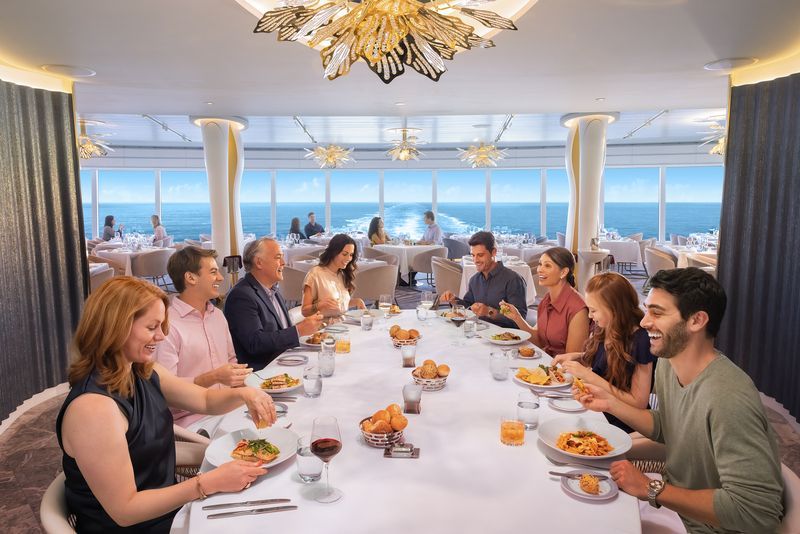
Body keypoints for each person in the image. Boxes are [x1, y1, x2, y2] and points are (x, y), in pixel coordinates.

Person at [56, 276, 277, 533]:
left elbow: (204, 399)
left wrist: (246, 395)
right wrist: (205, 484)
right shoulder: (93, 409)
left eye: (162, 326)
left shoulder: (142, 371)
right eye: (152, 327)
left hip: (170, 509)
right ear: (115, 327)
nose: (161, 336)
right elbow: (125, 511)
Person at [575, 268, 783, 533]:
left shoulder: (728, 397)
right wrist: (610, 403)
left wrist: (652, 488)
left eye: (657, 313)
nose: (644, 322)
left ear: (697, 321)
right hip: (674, 508)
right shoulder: (668, 365)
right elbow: (666, 426)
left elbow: (756, 511)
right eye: (647, 310)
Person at [155, 246, 252, 427]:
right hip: (194, 421)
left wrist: (249, 392)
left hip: (230, 410)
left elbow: (231, 360)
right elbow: (167, 391)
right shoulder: (167, 325)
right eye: (214, 272)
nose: (221, 278)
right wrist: (214, 377)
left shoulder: (217, 315)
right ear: (191, 278)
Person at [551, 272, 655, 433]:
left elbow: (638, 403)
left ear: (614, 309)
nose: (590, 316)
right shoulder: (606, 327)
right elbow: (604, 360)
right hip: (596, 409)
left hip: (623, 423)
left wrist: (589, 376)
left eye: (594, 310)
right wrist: (578, 357)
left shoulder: (642, 341)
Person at [224, 237, 324, 369]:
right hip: (263, 374)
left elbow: (280, 332)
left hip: (286, 363)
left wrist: (304, 329)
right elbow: (255, 343)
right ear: (259, 262)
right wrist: (298, 330)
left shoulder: (273, 290)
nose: (284, 262)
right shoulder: (241, 296)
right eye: (278, 257)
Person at [499, 247, 590, 355]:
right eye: (540, 264)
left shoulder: (578, 309)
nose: (539, 270)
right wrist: (517, 318)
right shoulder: (546, 300)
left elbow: (572, 359)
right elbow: (539, 341)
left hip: (562, 369)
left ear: (564, 272)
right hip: (546, 362)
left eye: (547, 265)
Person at [439, 231, 526, 327]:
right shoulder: (474, 280)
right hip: (479, 334)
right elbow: (468, 305)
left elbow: (521, 319)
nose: (475, 260)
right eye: (473, 255)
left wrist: (490, 312)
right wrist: (453, 300)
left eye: (480, 255)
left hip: (505, 337)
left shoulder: (513, 279)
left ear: (493, 252)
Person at [301, 234, 365, 321]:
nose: (349, 258)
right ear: (333, 252)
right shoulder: (315, 274)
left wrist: (357, 302)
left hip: (343, 326)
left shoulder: (342, 274)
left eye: (351, 255)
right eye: (344, 254)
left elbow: (337, 306)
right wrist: (320, 304)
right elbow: (304, 311)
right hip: (323, 329)